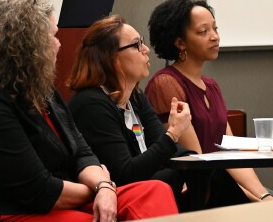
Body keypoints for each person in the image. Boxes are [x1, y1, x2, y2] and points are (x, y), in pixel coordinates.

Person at [0, 0, 177, 222]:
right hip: (10, 215)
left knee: (154, 190)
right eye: (52, 36)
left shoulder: (45, 92)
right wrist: (102, 188)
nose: (59, 44)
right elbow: (39, 190)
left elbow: (83, 152)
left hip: (65, 196)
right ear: (28, 46)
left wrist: (103, 187)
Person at [145, 0, 273, 205]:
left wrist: (263, 195)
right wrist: (258, 201)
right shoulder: (166, 84)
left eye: (215, 29)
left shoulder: (212, 86)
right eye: (203, 31)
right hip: (195, 192)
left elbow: (231, 153)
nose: (215, 37)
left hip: (221, 184)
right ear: (180, 42)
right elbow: (198, 163)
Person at [67, 15, 196, 211]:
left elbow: (160, 142)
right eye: (137, 45)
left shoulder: (135, 98)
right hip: (114, 196)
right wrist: (173, 134)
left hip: (147, 186)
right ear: (111, 57)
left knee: (206, 172)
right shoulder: (91, 105)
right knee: (174, 178)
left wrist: (194, 163)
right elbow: (126, 174)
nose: (146, 50)